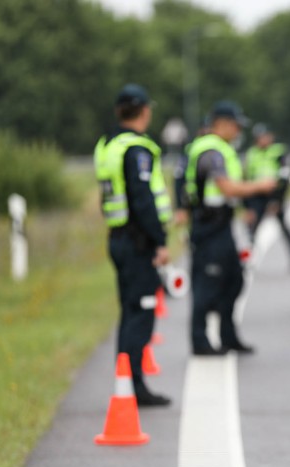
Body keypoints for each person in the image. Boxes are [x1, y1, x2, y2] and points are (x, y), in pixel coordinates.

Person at [177, 101, 276, 356]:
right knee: (207, 285)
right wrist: (260, 186)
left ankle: (228, 336)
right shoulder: (211, 150)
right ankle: (200, 342)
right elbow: (227, 187)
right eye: (236, 125)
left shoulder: (221, 148)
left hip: (221, 225)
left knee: (234, 279)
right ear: (221, 124)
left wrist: (245, 207)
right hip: (208, 227)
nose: (238, 131)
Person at [94, 83, 172, 407]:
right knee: (141, 312)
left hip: (117, 236)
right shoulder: (136, 148)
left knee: (129, 310)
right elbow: (142, 200)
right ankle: (134, 385)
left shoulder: (108, 145)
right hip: (138, 241)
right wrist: (160, 241)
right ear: (144, 110)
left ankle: (126, 379)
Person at [243, 123, 290, 269]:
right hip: (257, 196)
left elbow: (285, 177)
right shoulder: (252, 153)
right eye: (259, 137)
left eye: (265, 136)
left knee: (284, 229)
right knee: (251, 230)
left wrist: (277, 200)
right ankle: (247, 260)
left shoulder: (278, 152)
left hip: (275, 195)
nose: (262, 140)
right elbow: (246, 180)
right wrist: (247, 206)